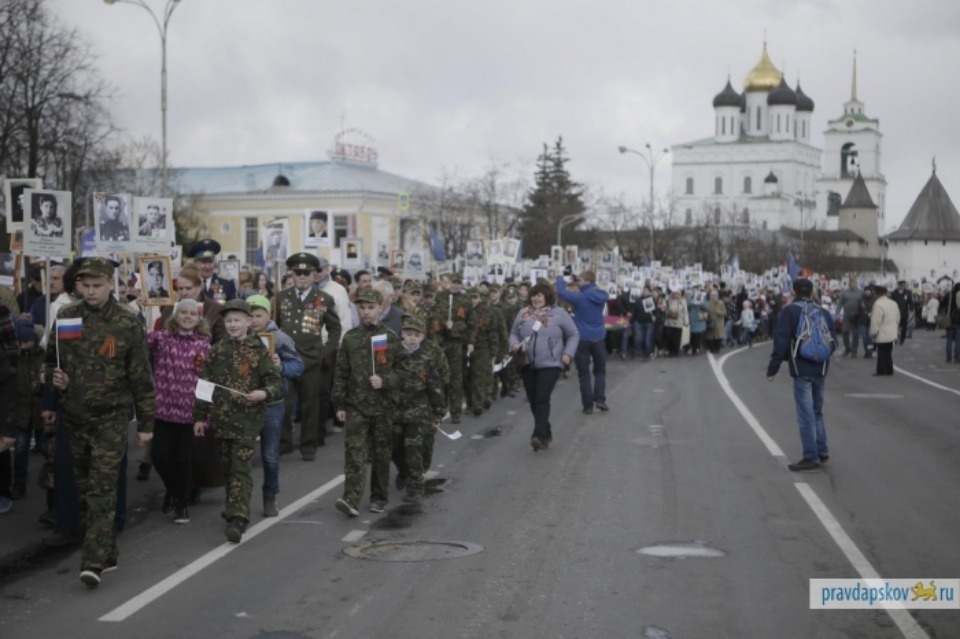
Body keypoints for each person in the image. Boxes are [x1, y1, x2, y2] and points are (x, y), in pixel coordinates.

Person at [45, 256, 155, 586]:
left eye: (97, 286)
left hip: (112, 417)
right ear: (76, 285)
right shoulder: (67, 317)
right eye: (84, 285)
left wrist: (147, 423)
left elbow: (141, 376)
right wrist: (56, 380)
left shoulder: (126, 322)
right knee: (81, 490)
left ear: (111, 285)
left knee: (102, 489)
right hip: (75, 416)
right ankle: (108, 555)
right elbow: (52, 359)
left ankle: (91, 562)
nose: (90, 292)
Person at [192, 299, 282, 543]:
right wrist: (200, 416)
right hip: (222, 420)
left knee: (241, 468)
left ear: (247, 322)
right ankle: (233, 505)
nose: (232, 325)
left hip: (247, 420)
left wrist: (263, 393)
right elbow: (205, 385)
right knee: (228, 468)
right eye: (228, 321)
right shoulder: (218, 350)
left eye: (237, 320)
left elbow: (275, 383)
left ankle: (238, 518)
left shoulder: (258, 349)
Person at [332, 288, 404, 517]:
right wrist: (340, 404)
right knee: (354, 453)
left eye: (370, 308)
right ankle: (351, 499)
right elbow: (341, 372)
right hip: (356, 405)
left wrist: (385, 380)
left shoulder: (390, 338)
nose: (366, 312)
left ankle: (379, 497)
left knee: (381, 454)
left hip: (383, 406)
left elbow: (403, 372)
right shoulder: (351, 338)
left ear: (380, 309)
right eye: (362, 308)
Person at [147, 299, 211, 524]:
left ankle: (182, 504)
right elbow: (140, 343)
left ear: (198, 318)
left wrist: (203, 416)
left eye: (192, 314)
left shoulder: (204, 345)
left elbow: (207, 382)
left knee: (183, 459)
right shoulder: (161, 339)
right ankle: (173, 489)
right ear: (175, 316)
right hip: (162, 410)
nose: (187, 316)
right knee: (159, 456)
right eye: (182, 312)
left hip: (189, 413)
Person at [766, 278, 837, 473]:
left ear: (794, 291)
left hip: (802, 368)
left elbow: (780, 342)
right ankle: (822, 452)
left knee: (805, 414)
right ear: (812, 291)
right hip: (821, 368)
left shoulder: (790, 311)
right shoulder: (823, 312)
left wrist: (773, 368)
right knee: (817, 412)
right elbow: (833, 341)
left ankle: (810, 456)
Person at [276, 253, 340, 458]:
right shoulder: (281, 297)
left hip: (311, 360)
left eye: (307, 273)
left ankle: (309, 445)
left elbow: (335, 329)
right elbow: (273, 326)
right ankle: (285, 443)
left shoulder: (324, 299)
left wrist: (324, 352)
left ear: (314, 275)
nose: (302, 277)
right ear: (292, 274)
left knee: (310, 405)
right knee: (284, 404)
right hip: (286, 360)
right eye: (298, 273)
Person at [246, 295, 303, 517]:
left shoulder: (279, 338)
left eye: (258, 315)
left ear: (268, 315)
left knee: (270, 455)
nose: (253, 320)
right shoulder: (240, 336)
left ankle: (270, 497)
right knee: (241, 454)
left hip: (273, 404)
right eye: (249, 315)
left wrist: (281, 367)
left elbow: (297, 366)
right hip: (248, 402)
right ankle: (239, 502)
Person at [509, 281, 579, 451]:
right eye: (534, 295)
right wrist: (514, 345)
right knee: (533, 399)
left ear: (547, 296)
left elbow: (573, 334)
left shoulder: (559, 314)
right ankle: (546, 431)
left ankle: (538, 434)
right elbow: (513, 333)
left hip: (551, 363)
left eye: (540, 295)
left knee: (541, 397)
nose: (536, 299)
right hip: (527, 362)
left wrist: (567, 354)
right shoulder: (524, 313)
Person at [392, 312, 449, 504]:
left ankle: (415, 486)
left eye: (416, 335)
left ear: (422, 337)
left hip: (419, 410)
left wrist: (438, 411)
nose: (412, 338)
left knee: (414, 448)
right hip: (395, 410)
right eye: (409, 334)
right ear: (402, 334)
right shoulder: (393, 353)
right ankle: (403, 471)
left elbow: (435, 386)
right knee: (395, 447)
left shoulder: (427, 357)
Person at [556, 271, 608, 414]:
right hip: (598, 337)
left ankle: (588, 406)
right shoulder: (601, 295)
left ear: (585, 280)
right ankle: (600, 399)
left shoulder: (580, 297)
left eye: (580, 279)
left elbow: (561, 293)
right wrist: (578, 280)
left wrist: (561, 277)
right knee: (600, 371)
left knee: (584, 373)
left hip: (582, 337)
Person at [427, 272, 473, 424]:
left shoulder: (465, 300)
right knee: (440, 377)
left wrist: (455, 327)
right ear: (449, 283)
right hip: (440, 342)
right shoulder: (440, 297)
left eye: (458, 283)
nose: (456, 285)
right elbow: (433, 317)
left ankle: (455, 412)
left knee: (455, 378)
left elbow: (469, 324)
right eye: (454, 282)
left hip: (456, 342)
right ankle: (440, 409)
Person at [869, 285, 900, 376]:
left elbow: (876, 320)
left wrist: (874, 332)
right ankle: (889, 369)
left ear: (877, 293)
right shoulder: (893, 303)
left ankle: (881, 370)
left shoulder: (878, 304)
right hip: (892, 330)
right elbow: (898, 317)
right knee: (888, 352)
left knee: (882, 353)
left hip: (882, 331)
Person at [838, 279, 863, 356]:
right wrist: (837, 312)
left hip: (857, 316)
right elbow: (840, 303)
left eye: (854, 284)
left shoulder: (860, 292)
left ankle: (854, 350)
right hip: (847, 315)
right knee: (845, 331)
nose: (852, 285)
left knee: (856, 334)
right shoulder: (845, 292)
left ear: (856, 284)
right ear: (849, 284)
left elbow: (864, 302)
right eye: (851, 284)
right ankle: (847, 348)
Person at [662, 289, 688, 357]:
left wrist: (686, 321)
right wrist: (666, 302)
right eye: (673, 293)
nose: (674, 295)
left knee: (676, 338)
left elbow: (685, 312)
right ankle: (670, 351)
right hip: (669, 322)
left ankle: (675, 352)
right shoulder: (668, 300)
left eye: (676, 293)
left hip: (678, 322)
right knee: (669, 337)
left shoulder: (682, 301)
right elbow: (664, 308)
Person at [889, 280, 912, 345]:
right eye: (902, 285)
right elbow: (891, 301)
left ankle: (902, 338)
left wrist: (910, 309)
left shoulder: (908, 292)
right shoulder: (894, 292)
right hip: (895, 312)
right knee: (895, 326)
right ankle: (895, 338)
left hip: (904, 312)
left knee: (904, 326)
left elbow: (910, 302)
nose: (903, 286)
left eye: (904, 285)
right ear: (898, 285)